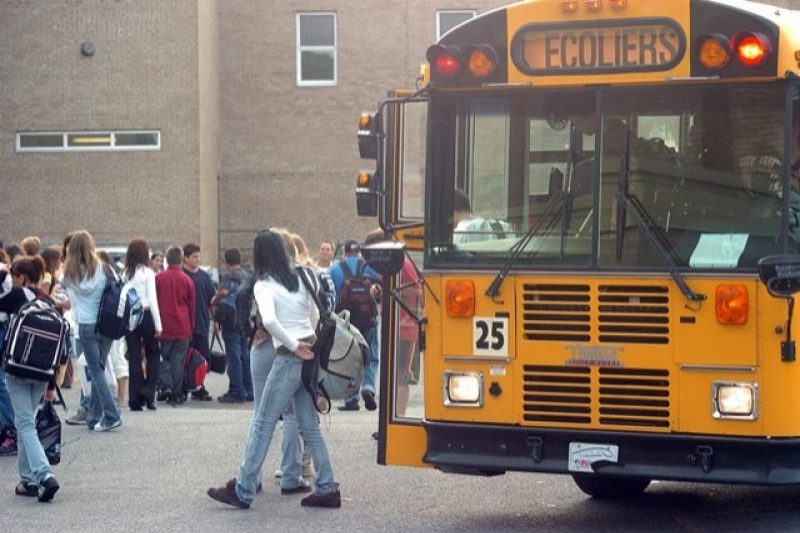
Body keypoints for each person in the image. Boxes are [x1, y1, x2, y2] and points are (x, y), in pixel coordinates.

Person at [207, 229, 340, 509]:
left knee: (263, 421)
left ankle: (243, 488)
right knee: (309, 425)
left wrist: (292, 345)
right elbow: (317, 313)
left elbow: (268, 320)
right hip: (310, 350)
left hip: (290, 356)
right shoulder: (305, 275)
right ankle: (327, 485)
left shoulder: (263, 284)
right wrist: (307, 344)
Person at [0, 256, 66, 501]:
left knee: (25, 424)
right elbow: (61, 347)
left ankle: (44, 475)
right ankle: (27, 479)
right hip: (42, 373)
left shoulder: (17, 296)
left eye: (14, 277)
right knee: (24, 422)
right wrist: (51, 383)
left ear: (22, 278)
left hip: (17, 369)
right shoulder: (48, 302)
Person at [61, 230, 123, 432]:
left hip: (85, 326)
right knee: (99, 368)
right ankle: (94, 416)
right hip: (106, 324)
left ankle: (111, 414)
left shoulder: (68, 275)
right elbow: (117, 288)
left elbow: (72, 300)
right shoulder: (104, 269)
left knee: (96, 370)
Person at [329, 237, 381, 412]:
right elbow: (382, 284)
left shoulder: (335, 269)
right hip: (369, 319)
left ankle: (351, 398)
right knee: (371, 356)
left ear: (344, 251)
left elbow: (331, 294)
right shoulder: (369, 267)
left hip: (347, 321)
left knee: (350, 357)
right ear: (359, 251)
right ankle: (368, 387)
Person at [123, 238, 162, 411]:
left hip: (130, 316)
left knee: (134, 357)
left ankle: (134, 399)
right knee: (153, 354)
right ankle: (148, 392)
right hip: (146, 314)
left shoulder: (125, 273)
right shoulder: (148, 273)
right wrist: (159, 325)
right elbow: (153, 300)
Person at [212, 247, 252, 403]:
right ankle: (248, 389)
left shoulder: (228, 275)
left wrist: (214, 301)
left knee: (233, 356)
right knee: (244, 355)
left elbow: (223, 292)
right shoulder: (246, 275)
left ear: (226, 261)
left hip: (230, 318)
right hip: (244, 318)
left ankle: (236, 390)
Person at [156, 246, 195, 405]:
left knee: (163, 358)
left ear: (166, 259)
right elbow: (191, 306)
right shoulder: (187, 280)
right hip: (182, 326)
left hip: (164, 326)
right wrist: (191, 327)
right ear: (181, 260)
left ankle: (166, 386)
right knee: (178, 361)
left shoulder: (158, 279)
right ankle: (177, 392)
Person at [182, 243, 214, 401]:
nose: (198, 259)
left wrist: (216, 321)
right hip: (185, 325)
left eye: (199, 256)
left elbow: (211, 300)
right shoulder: (182, 275)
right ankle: (184, 385)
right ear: (185, 258)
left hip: (201, 323)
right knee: (185, 357)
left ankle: (199, 386)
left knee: (202, 358)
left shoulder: (204, 277)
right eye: (195, 257)